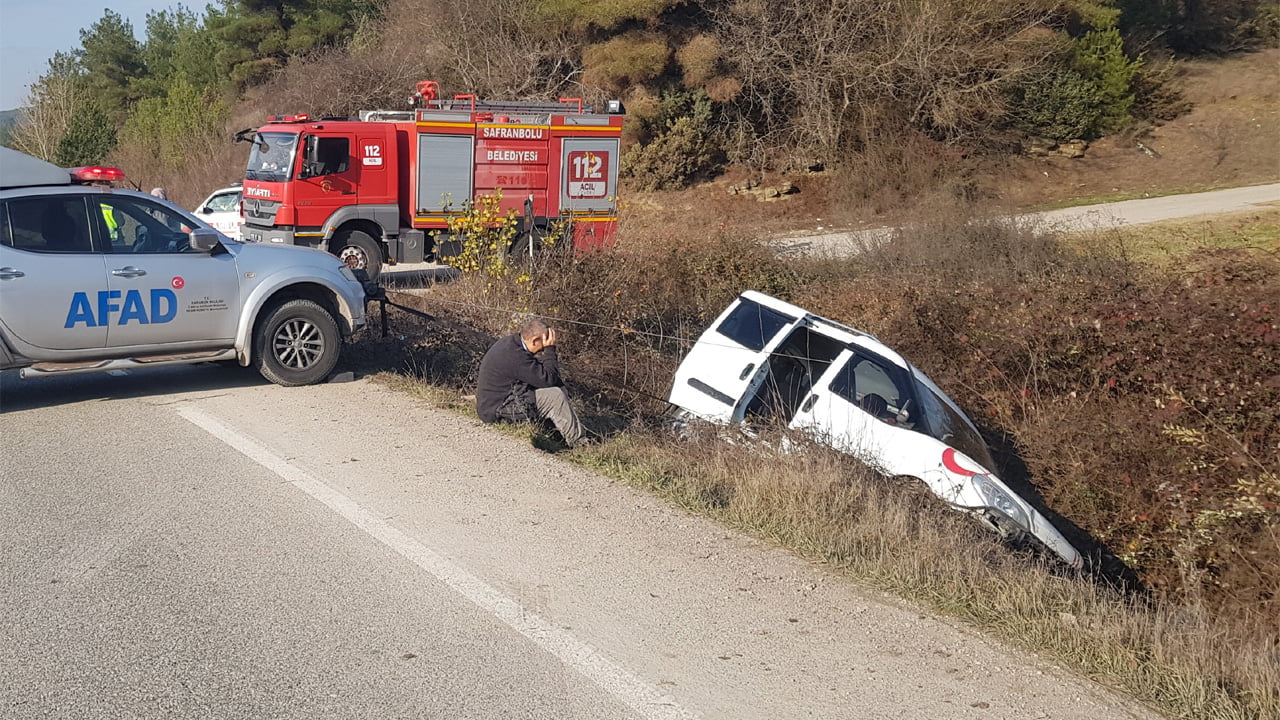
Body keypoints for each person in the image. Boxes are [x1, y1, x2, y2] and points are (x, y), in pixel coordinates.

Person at [476, 319, 585, 447]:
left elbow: (547, 378)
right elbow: (549, 380)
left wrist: (560, 385)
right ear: (534, 340)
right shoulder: (515, 356)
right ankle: (580, 444)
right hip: (496, 410)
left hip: (497, 400)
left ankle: (556, 434)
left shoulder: (512, 344)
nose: (543, 347)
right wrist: (550, 350)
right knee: (555, 397)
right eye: (543, 344)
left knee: (558, 389)